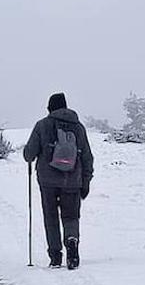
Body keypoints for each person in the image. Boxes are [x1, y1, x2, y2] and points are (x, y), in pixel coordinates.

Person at [23, 92, 95, 270]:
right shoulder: (78, 127)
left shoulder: (42, 125)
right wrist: (86, 181)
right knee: (71, 216)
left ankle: (55, 256)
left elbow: (29, 154)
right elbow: (87, 157)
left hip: (48, 181)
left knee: (51, 217)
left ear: (50, 107)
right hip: (73, 180)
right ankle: (72, 241)